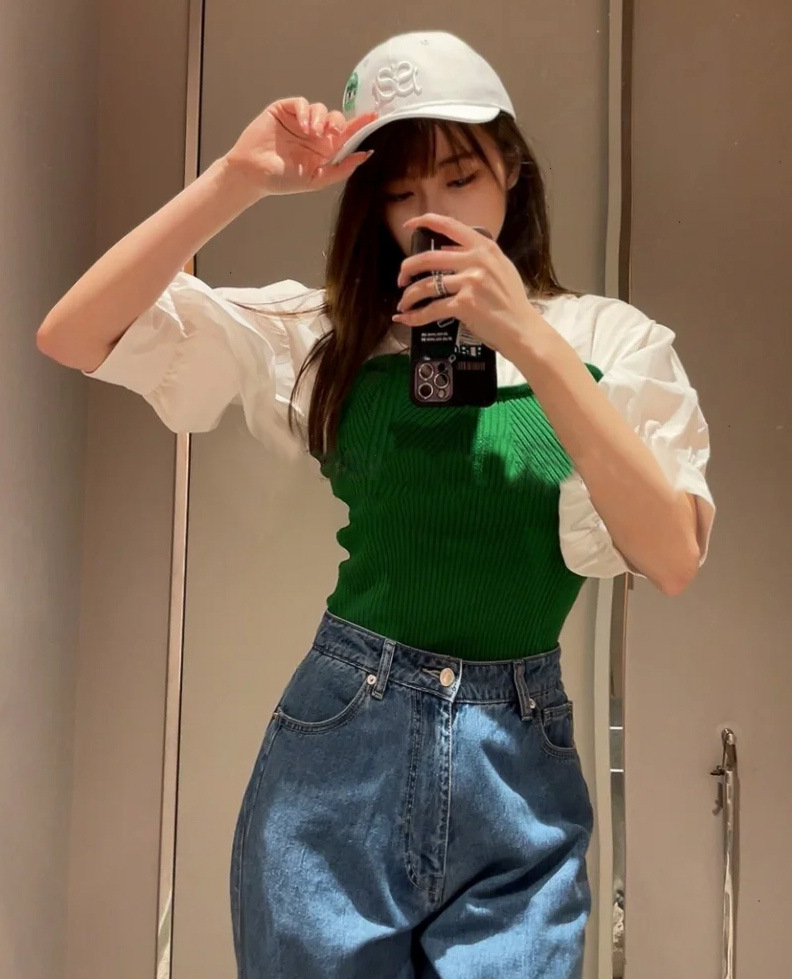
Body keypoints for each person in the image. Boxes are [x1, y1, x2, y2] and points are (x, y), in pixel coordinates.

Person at [37, 29, 715, 979]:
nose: (432, 212)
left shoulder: (609, 341)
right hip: (340, 751)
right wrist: (236, 178)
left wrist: (526, 334)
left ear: (512, 169)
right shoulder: (329, 334)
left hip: (521, 772)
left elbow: (673, 555)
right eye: (400, 191)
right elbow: (74, 333)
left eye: (460, 176)